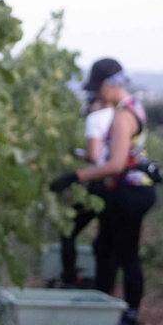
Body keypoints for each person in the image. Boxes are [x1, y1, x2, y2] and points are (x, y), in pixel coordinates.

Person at [70, 58, 157, 325]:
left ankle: (129, 318)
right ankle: (104, 310)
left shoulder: (122, 114)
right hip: (131, 191)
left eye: (98, 88)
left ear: (110, 84)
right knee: (105, 249)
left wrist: (79, 175)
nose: (96, 94)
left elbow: (116, 164)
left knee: (126, 254)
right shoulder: (134, 107)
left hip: (129, 192)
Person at [56, 71, 115, 287]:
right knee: (107, 242)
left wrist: (79, 158)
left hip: (99, 182)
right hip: (117, 184)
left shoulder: (95, 119)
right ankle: (105, 292)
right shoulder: (119, 115)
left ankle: (70, 278)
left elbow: (94, 155)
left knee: (69, 232)